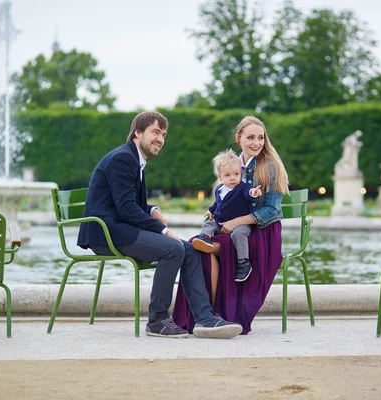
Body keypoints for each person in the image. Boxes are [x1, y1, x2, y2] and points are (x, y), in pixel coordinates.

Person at [77, 111, 242, 339]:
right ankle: (157, 320)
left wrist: (152, 209)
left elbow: (128, 203)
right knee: (173, 248)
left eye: (163, 135)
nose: (160, 139)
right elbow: (125, 209)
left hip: (120, 228)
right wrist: (165, 231)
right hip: (107, 233)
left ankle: (205, 319)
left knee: (191, 249)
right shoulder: (123, 158)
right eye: (155, 132)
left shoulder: (135, 160)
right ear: (137, 132)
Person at [173, 115, 290, 334]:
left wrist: (236, 221)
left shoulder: (270, 165)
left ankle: (213, 314)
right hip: (232, 227)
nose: (257, 142)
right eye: (251, 137)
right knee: (194, 247)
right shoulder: (232, 164)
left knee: (218, 247)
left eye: (261, 137)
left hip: (261, 232)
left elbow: (272, 210)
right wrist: (211, 212)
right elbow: (225, 196)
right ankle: (207, 315)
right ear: (239, 138)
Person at [192, 149, 262, 282]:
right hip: (220, 223)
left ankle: (244, 263)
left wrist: (254, 192)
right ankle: (205, 238)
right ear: (220, 177)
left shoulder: (243, 188)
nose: (232, 178)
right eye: (228, 175)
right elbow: (217, 203)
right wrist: (210, 211)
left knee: (239, 233)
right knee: (209, 224)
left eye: (236, 174)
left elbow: (248, 194)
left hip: (239, 224)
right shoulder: (219, 189)